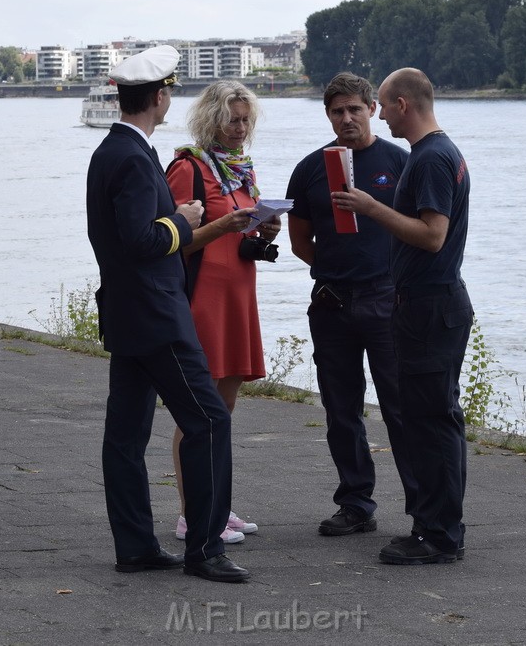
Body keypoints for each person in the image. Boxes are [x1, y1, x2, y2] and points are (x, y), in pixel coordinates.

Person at [86, 45, 250, 583]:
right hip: (156, 316)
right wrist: (182, 219)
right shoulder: (134, 157)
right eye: (167, 94)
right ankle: (205, 548)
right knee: (208, 420)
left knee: (127, 438)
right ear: (158, 97)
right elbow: (140, 239)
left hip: (128, 314)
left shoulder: (111, 151)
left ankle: (135, 546)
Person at [331, 67, 473, 565]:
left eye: (384, 106)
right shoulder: (438, 152)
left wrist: (372, 207)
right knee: (434, 420)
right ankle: (437, 526)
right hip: (431, 304)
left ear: (403, 105)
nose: (380, 115)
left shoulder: (432, 157)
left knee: (431, 424)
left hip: (429, 305)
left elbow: (432, 235)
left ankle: (438, 534)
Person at [285, 72, 417, 537]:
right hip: (332, 303)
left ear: (373, 110)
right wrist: (337, 267)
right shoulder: (310, 168)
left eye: (355, 110)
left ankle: (423, 509)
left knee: (401, 408)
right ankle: (356, 503)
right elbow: (300, 239)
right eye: (337, 112)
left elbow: (421, 230)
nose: (346, 119)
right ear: (328, 115)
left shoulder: (399, 163)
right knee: (342, 411)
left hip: (387, 302)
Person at [165, 80, 281, 544]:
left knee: (225, 406)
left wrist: (265, 232)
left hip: (238, 294)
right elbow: (173, 239)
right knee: (197, 410)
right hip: (204, 298)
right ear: (211, 119)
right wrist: (223, 225)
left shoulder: (241, 171)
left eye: (246, 119)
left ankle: (216, 504)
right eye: (232, 119)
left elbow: (243, 241)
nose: (240, 128)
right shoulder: (188, 168)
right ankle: (191, 515)